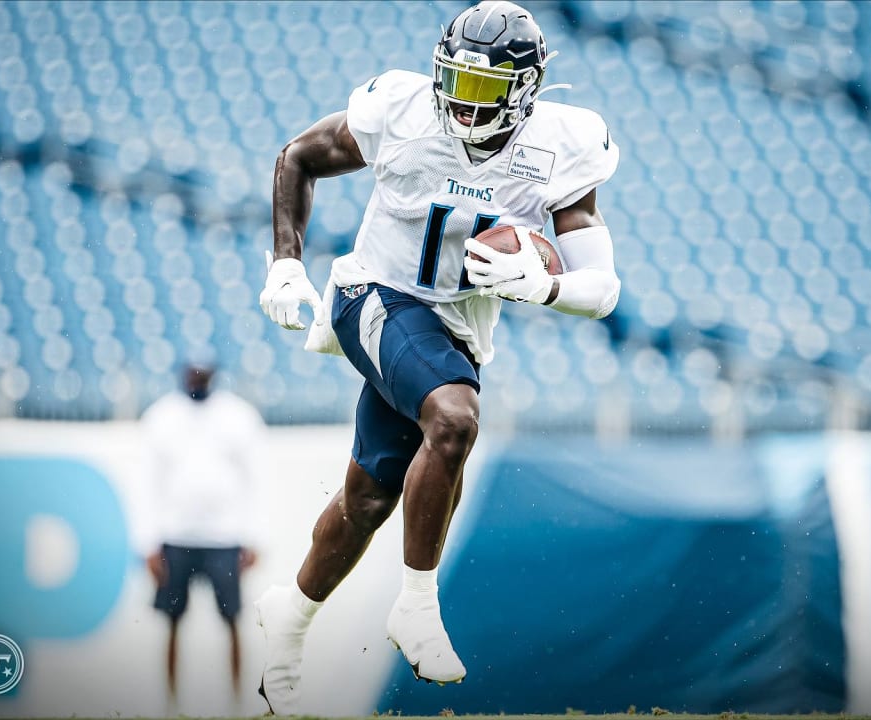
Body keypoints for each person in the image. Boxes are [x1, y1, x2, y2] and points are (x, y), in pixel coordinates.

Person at [254, 1, 620, 714]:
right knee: (453, 419)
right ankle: (416, 604)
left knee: (370, 497)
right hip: (374, 294)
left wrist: (545, 285)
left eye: (483, 89)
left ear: (524, 90)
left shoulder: (563, 143)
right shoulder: (402, 110)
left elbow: (601, 288)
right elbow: (296, 157)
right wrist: (285, 264)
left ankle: (286, 616)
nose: (462, 100)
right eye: (454, 80)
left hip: (453, 328)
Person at [137, 364, 264, 707]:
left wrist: (253, 537)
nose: (197, 378)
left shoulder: (239, 416)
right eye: (192, 372)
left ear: (213, 375)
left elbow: (256, 478)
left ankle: (238, 705)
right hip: (175, 537)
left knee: (233, 621)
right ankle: (171, 705)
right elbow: (148, 481)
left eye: (202, 372)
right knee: (172, 623)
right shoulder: (160, 416)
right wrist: (149, 542)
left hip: (224, 537)